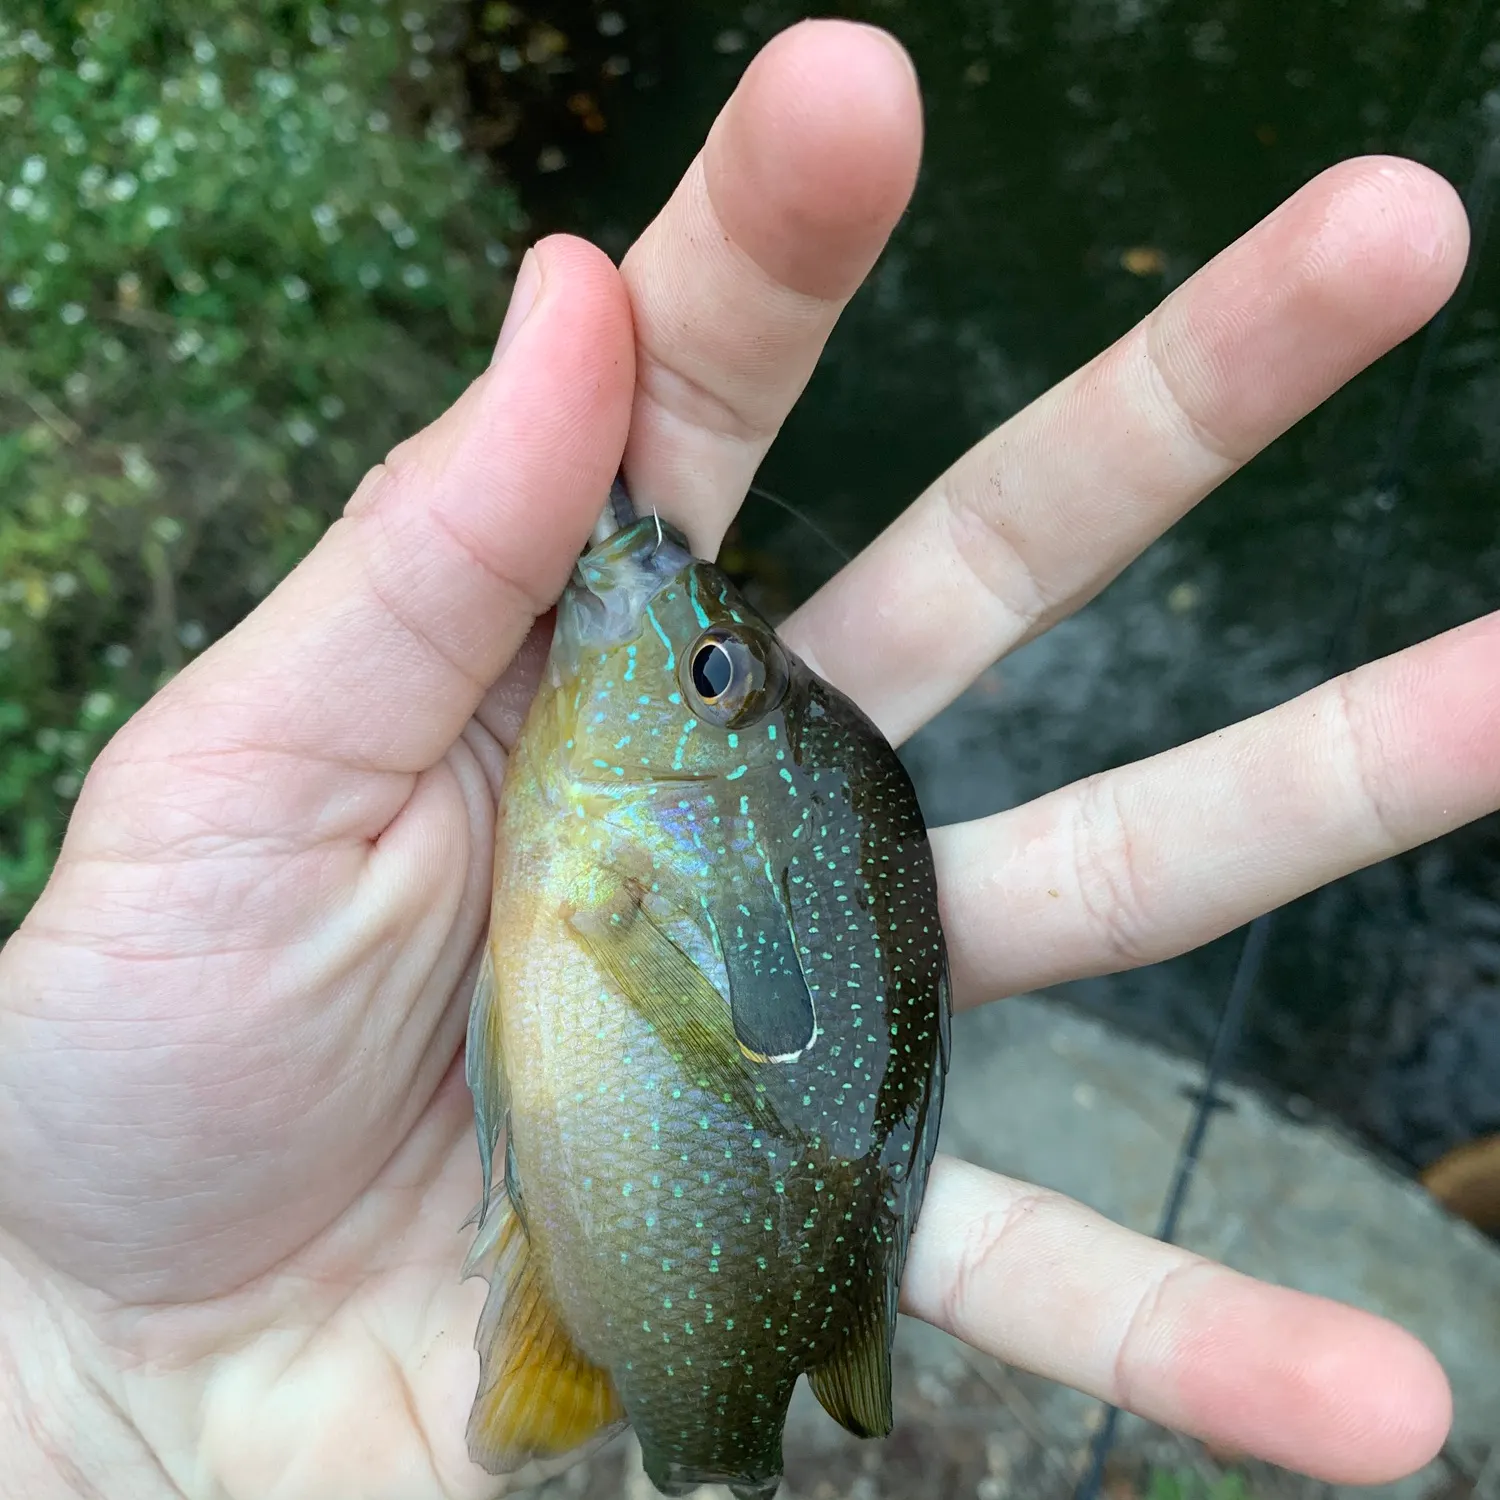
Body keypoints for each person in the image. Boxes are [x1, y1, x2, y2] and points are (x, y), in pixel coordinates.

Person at [0, 20, 1489, 1499]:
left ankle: (708, 1447)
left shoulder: (608, 853)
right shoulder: (609, 838)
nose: (672, 603)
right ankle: (701, 1439)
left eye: (714, 672)